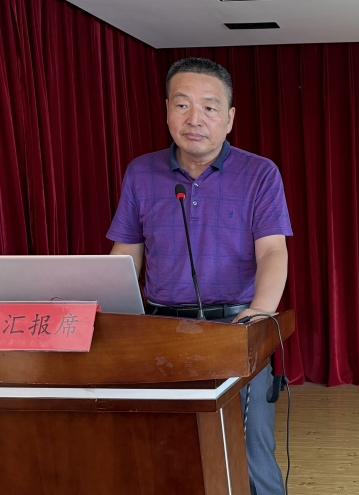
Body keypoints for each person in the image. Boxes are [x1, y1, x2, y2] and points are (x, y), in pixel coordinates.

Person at [107, 57, 291, 495]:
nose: (195, 119)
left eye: (209, 107)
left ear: (229, 118)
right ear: (167, 110)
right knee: (167, 447)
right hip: (159, 330)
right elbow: (126, 253)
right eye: (182, 105)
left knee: (250, 450)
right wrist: (106, 318)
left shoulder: (259, 173)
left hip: (236, 328)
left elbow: (272, 250)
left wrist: (259, 314)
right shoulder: (140, 172)